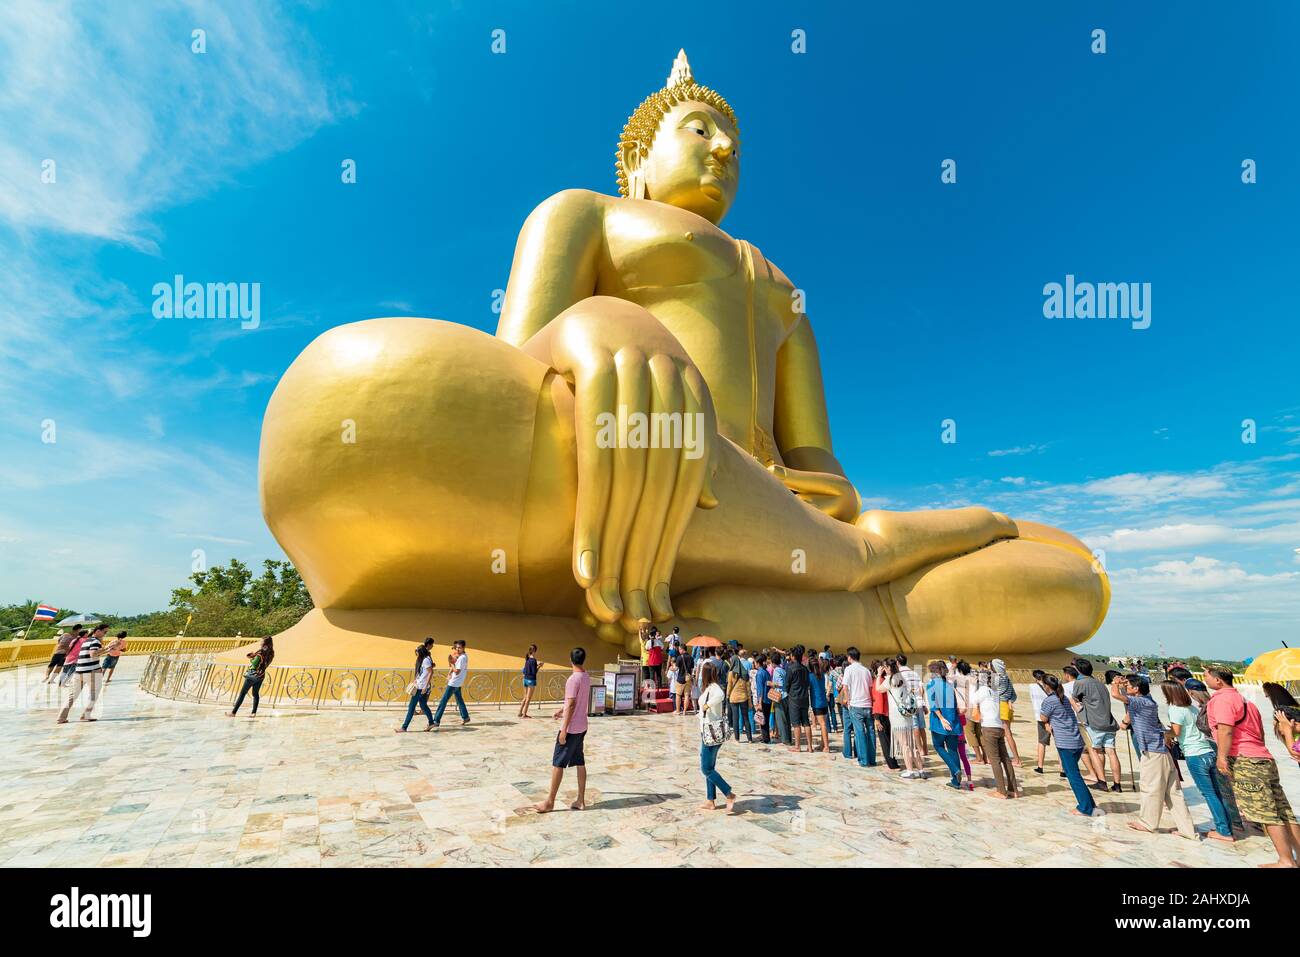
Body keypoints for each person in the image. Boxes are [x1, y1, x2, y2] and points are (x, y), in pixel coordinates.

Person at [1204, 666, 1299, 867]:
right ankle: (1295, 856)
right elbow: (1260, 734)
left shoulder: (1222, 700)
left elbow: (1225, 730)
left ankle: (1285, 861)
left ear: (1218, 680)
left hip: (1245, 760)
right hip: (1263, 759)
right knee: (1283, 810)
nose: (1205, 680)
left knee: (1266, 812)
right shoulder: (1248, 703)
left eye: (1206, 676)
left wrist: (1222, 757)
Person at [1116, 675, 1197, 841]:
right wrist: (1127, 683)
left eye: (1129, 685)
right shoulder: (1148, 700)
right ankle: (1187, 829)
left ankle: (1148, 823)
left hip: (1153, 753)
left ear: (1136, 689)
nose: (1127, 687)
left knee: (1150, 788)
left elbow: (1117, 695)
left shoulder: (1140, 702)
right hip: (1162, 751)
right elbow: (1128, 698)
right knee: (1173, 792)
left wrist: (1115, 683)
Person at [1163, 680, 1236, 843]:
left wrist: (1164, 733)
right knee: (1218, 792)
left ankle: (1224, 831)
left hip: (1195, 754)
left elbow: (1175, 732)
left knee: (1209, 794)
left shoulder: (1175, 709)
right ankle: (1226, 827)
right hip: (1209, 751)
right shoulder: (1193, 708)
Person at [535, 647, 591, 813]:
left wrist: (564, 729)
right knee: (579, 762)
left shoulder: (573, 679)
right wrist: (562, 710)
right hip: (582, 725)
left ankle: (550, 801)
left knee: (558, 763)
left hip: (572, 728)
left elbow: (572, 703)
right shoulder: (586, 677)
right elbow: (574, 702)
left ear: (570, 660)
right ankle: (580, 800)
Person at [1038, 673, 1098, 818]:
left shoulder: (1050, 700)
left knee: (1073, 776)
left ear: (1046, 686)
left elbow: (1043, 717)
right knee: (1074, 773)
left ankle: (1085, 808)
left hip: (1066, 743)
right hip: (1076, 740)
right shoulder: (1063, 698)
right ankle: (1090, 804)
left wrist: (1047, 723)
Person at [1072, 658, 1123, 792]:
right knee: (1110, 752)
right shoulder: (1099, 683)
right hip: (1109, 723)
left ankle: (1101, 781)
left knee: (1094, 750)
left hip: (1094, 723)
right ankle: (1117, 785)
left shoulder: (1080, 682)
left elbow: (1075, 698)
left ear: (1078, 669)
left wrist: (1076, 707)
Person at [697, 661, 738, 812]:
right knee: (710, 767)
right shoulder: (708, 688)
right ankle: (710, 800)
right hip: (707, 732)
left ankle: (729, 793)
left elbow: (721, 696)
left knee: (706, 769)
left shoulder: (715, 688)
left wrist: (708, 705)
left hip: (711, 733)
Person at [971, 671, 1016, 798]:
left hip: (988, 728)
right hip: (999, 726)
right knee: (1005, 759)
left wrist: (975, 685)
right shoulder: (995, 692)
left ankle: (1001, 791)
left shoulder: (983, 690)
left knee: (995, 760)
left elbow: (973, 701)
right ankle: (1013, 789)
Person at [56, 624, 108, 724]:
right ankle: (86, 715)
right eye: (104, 632)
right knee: (94, 694)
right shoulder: (95, 641)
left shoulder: (87, 640)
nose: (104, 634)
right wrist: (107, 647)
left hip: (79, 671)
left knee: (72, 696)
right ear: (97, 631)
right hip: (91, 671)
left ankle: (61, 717)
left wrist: (106, 649)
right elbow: (93, 654)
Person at [882, 659, 923, 778]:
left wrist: (880, 675)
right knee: (911, 743)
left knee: (904, 744)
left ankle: (910, 770)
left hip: (896, 714)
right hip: (907, 714)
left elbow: (879, 689)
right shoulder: (902, 677)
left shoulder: (890, 679)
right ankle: (921, 770)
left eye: (885, 667)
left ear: (889, 668)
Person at [926, 661, 964, 790]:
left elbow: (933, 705)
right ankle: (956, 781)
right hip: (953, 721)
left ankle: (955, 770)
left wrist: (941, 718)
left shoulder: (931, 684)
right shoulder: (949, 685)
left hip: (939, 722)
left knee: (938, 746)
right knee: (953, 750)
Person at [838, 647, 875, 767]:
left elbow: (845, 687)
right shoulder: (866, 670)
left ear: (849, 657)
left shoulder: (849, 670)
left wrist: (848, 701)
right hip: (868, 704)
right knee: (870, 732)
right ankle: (872, 759)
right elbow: (870, 688)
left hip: (856, 704)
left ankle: (863, 760)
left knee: (859, 732)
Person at [227, 636, 274, 718]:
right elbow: (264, 663)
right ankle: (253, 713)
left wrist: (251, 658)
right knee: (255, 694)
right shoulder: (271, 652)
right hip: (261, 675)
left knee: (242, 693)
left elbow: (255, 664)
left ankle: (233, 713)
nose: (260, 642)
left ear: (265, 643)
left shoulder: (260, 652)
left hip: (252, 675)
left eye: (262, 641)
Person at [397, 638, 436, 732]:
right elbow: (423, 672)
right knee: (423, 705)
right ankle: (431, 723)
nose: (416, 654)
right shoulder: (423, 659)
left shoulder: (426, 660)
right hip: (420, 685)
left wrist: (426, 686)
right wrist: (416, 679)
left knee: (411, 707)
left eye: (417, 652)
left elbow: (430, 672)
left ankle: (404, 727)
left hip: (421, 687)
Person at [433, 639, 471, 727]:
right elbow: (454, 669)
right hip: (457, 682)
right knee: (459, 700)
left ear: (463, 648)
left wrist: (452, 663)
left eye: (460, 648)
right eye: (456, 648)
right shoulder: (463, 656)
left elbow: (457, 671)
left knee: (443, 701)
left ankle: (436, 720)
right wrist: (449, 674)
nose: (457, 649)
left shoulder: (462, 658)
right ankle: (466, 717)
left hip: (454, 683)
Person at [896, 654, 927, 758]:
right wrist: (923, 702)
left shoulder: (899, 674)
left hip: (910, 703)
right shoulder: (914, 673)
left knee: (915, 727)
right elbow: (922, 689)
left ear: (897, 662)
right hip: (919, 701)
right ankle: (925, 748)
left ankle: (920, 749)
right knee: (921, 726)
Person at [992, 658, 1022, 767]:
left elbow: (992, 694)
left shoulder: (996, 679)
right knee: (1006, 733)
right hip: (1007, 707)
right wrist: (1009, 702)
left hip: (1001, 706)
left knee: (1007, 733)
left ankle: (1017, 759)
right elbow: (1014, 696)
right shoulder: (1007, 678)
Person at [870, 660, 899, 770]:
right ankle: (893, 761)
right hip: (887, 713)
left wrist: (876, 718)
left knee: (885, 741)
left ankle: (892, 763)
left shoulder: (879, 682)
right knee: (889, 740)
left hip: (882, 714)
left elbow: (877, 701)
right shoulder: (886, 680)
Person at [785, 646, 813, 753]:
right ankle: (810, 747)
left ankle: (797, 746)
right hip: (804, 698)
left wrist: (789, 692)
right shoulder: (805, 669)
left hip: (794, 698)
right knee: (806, 722)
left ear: (793, 656)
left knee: (796, 723)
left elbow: (787, 685)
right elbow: (807, 683)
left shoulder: (791, 668)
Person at [726, 650, 753, 743]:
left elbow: (729, 686)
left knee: (735, 718)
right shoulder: (745, 673)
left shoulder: (731, 673)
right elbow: (748, 687)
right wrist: (749, 699)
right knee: (746, 718)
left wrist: (727, 695)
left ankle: (737, 739)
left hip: (733, 698)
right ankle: (750, 738)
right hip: (744, 697)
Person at [1028, 669, 1050, 775]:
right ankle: (1062, 770)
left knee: (1042, 742)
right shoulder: (1050, 686)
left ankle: (1040, 766)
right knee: (1059, 743)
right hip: (1053, 716)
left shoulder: (1032, 687)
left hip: (1041, 717)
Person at [770, 652, 791, 746]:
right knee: (786, 719)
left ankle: (784, 740)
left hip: (780, 696)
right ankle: (788, 738)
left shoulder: (777, 671)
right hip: (786, 696)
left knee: (780, 719)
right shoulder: (783, 669)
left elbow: (781, 683)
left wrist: (771, 684)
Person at [519, 644, 542, 718]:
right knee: (528, 699)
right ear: (535, 651)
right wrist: (539, 666)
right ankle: (524, 714)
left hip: (525, 679)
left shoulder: (527, 659)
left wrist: (537, 664)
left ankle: (520, 712)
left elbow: (527, 668)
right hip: (531, 680)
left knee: (525, 697)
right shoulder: (534, 660)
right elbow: (534, 672)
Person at [753, 652, 771, 742]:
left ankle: (765, 738)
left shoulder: (759, 673)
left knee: (762, 719)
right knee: (766, 718)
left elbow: (760, 689)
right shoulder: (766, 672)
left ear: (758, 663)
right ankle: (766, 737)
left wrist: (759, 703)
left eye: (755, 663)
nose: (754, 664)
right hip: (768, 698)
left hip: (763, 699)